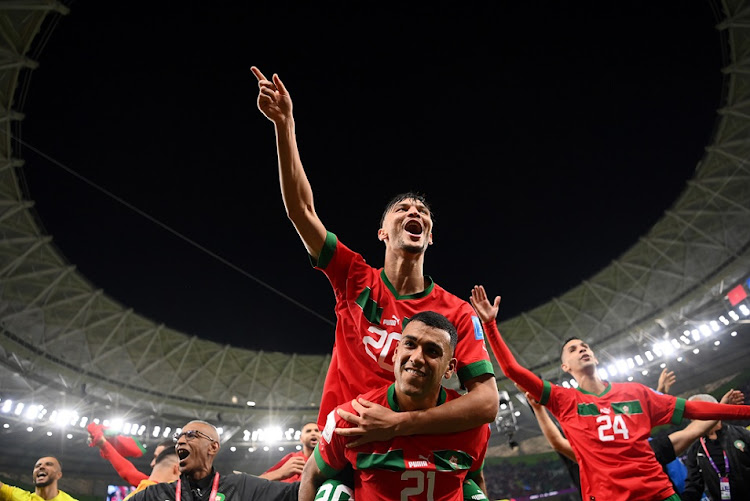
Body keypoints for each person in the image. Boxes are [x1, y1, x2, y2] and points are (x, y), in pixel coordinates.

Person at [252, 66, 497, 447]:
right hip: (345, 450)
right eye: (402, 209)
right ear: (383, 233)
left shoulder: (457, 313)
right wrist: (285, 124)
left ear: (430, 237)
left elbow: (486, 402)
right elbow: (302, 210)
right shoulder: (354, 277)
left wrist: (400, 424)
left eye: (423, 211)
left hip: (416, 452)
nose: (415, 212)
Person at [470, 285, 750, 501]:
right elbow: (513, 370)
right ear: (565, 367)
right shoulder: (564, 400)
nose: (582, 348)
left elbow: (693, 410)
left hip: (661, 494)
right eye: (573, 349)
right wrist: (491, 325)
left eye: (585, 346)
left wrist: (744, 412)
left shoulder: (635, 392)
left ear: (595, 356)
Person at [299, 311, 489, 501]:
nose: (417, 357)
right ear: (396, 352)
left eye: (432, 351)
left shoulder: (471, 424)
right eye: (410, 344)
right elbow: (311, 475)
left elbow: (474, 481)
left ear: (450, 368)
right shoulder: (352, 418)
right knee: (332, 492)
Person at [524, 388, 744, 495]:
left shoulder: (647, 449)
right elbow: (557, 443)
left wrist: (720, 408)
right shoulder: (594, 456)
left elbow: (691, 431)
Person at [128, 420, 297, 501]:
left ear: (213, 447)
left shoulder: (240, 486)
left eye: (191, 435)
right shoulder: (155, 494)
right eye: (178, 437)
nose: (180, 441)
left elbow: (294, 493)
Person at [681, 393, 750, 501]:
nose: (693, 418)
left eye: (697, 410)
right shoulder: (695, 450)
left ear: (715, 408)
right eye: (691, 414)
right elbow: (694, 486)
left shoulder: (742, 434)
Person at [89, 423, 174, 487]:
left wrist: (104, 445)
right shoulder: (155, 487)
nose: (152, 464)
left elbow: (128, 473)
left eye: (158, 458)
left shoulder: (178, 491)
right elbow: (129, 473)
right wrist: (104, 445)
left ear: (176, 467)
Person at [0, 457, 77, 501]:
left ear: (58, 475)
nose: (41, 467)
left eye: (48, 464)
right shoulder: (18, 497)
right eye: (37, 466)